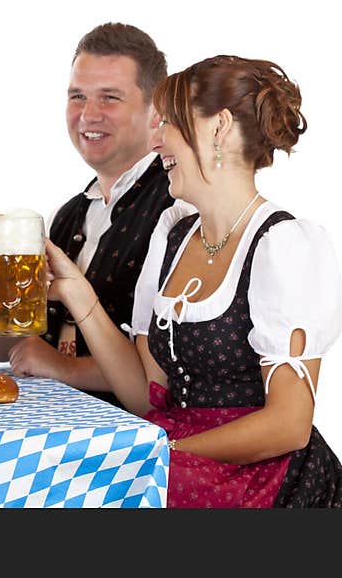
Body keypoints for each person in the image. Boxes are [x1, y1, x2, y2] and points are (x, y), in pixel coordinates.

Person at [43, 54, 342, 507]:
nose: (157, 139)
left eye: (170, 124)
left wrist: (165, 454)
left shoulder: (281, 245)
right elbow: (146, 396)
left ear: (219, 127)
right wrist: (76, 293)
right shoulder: (175, 234)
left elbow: (289, 425)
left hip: (262, 478)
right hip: (177, 459)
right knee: (58, 472)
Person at [0, 22, 188, 407]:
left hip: (138, 443)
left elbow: (179, 369)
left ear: (155, 110)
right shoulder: (67, 214)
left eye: (109, 97)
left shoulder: (180, 209)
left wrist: (65, 368)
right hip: (62, 429)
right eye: (77, 96)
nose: (89, 114)